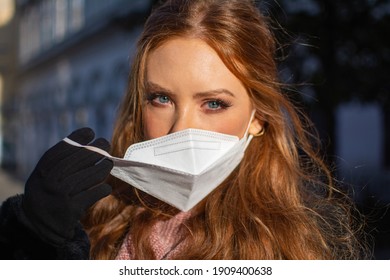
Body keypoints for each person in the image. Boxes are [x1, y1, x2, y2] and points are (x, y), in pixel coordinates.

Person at [0, 0, 369, 260]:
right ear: (138, 103)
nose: (182, 128)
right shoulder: (99, 217)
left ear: (258, 116)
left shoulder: (300, 245)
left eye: (213, 104)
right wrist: (34, 238)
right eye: (161, 98)